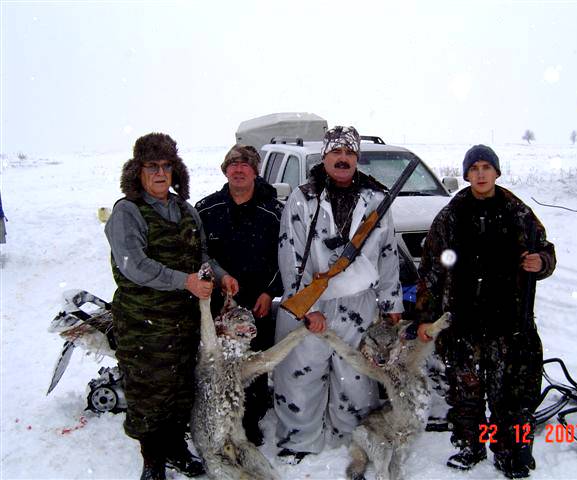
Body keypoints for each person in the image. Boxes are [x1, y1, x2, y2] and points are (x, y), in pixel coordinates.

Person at [415, 144, 556, 479]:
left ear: (496, 172)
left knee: (510, 396)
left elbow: (545, 250)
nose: (480, 173)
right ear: (466, 174)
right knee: (465, 394)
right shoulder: (452, 214)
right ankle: (470, 447)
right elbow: (431, 268)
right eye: (474, 167)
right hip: (462, 321)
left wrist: (542, 262)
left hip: (508, 322)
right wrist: (425, 317)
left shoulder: (516, 211)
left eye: (486, 167)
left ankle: (511, 454)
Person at [105, 132, 239, 480]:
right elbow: (133, 264)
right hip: (143, 324)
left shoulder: (185, 210)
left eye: (167, 166)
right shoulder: (128, 212)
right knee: (148, 393)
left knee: (180, 390)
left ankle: (177, 450)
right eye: (152, 166)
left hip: (182, 323)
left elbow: (202, 256)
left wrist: (220, 276)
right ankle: (152, 461)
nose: (160, 173)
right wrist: (185, 282)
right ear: (138, 172)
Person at [272, 126, 404, 464]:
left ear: (357, 158)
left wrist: (391, 303)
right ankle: (298, 440)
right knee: (301, 372)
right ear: (325, 156)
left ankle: (354, 434)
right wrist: (306, 307)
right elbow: (290, 255)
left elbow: (388, 254)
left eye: (349, 153)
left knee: (356, 374)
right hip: (311, 301)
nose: (342, 159)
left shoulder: (377, 199)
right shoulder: (303, 198)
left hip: (359, 301)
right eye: (336, 152)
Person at [195, 144, 283, 446]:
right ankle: (215, 413)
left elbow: (285, 258)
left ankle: (251, 419)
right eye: (233, 164)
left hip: (256, 304)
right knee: (215, 362)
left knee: (253, 365)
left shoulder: (274, 213)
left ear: (255, 171)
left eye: (245, 164)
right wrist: (217, 281)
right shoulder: (206, 209)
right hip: (216, 305)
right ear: (225, 170)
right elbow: (196, 254)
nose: (239, 169)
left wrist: (269, 292)